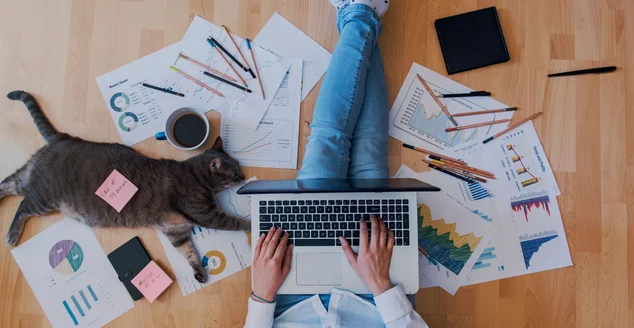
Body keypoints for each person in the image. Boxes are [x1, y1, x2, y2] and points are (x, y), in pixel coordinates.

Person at [245, 0, 428, 327]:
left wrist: (260, 296)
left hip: (289, 297)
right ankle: (360, 12)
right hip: (375, 301)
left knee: (329, 143)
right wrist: (381, 285)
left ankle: (362, 13)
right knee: (368, 149)